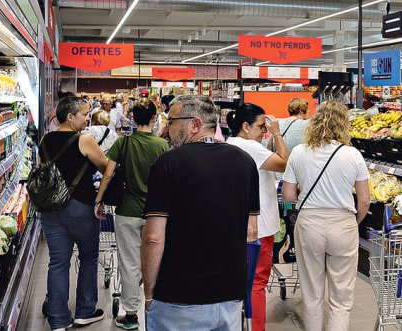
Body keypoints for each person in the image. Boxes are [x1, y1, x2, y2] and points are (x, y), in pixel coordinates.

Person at [142, 95, 260, 331]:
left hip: (179, 297)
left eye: (172, 121)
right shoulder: (245, 162)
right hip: (230, 295)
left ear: (194, 124)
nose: (168, 128)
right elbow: (251, 231)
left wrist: (148, 292)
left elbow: (153, 238)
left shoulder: (167, 164)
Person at [282, 101, 371, 331]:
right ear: (343, 124)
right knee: (341, 296)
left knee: (312, 293)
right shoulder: (353, 155)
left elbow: (289, 196)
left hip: (309, 223)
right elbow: (364, 201)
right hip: (343, 223)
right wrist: (354, 222)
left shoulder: (299, 152)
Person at [94, 98, 169, 330]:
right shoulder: (162, 145)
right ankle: (156, 309)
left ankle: (131, 315)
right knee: (156, 262)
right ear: (154, 118)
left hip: (127, 212)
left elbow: (107, 175)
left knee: (128, 263)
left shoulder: (123, 144)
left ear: (133, 118)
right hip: (156, 215)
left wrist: (98, 200)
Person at [39, 96, 110, 330]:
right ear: (70, 117)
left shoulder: (45, 141)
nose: (87, 117)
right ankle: (85, 311)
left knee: (58, 262)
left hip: (51, 208)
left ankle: (58, 320)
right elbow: (105, 166)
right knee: (88, 257)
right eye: (84, 113)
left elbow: (44, 172)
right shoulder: (84, 140)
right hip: (80, 206)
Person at [225, 103, 289, 331]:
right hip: (259, 227)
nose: (264, 131)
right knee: (257, 282)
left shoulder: (229, 144)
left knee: (238, 280)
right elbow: (284, 163)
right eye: (261, 126)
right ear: (245, 126)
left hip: (234, 225)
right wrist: (278, 133)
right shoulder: (250, 147)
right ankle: (256, 327)